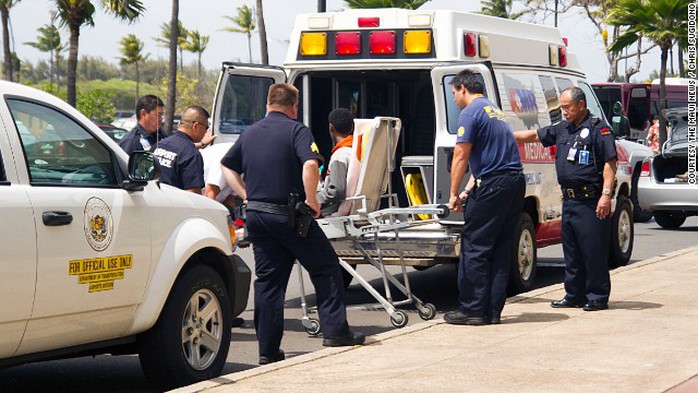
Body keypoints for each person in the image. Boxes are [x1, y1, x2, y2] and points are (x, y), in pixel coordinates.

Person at [220, 83, 365, 365]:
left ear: (267, 104)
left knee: (269, 283)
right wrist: (312, 201)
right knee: (326, 268)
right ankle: (335, 331)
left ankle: (268, 352)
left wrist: (245, 194)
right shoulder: (297, 130)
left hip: (258, 217)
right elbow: (310, 165)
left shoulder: (249, 133)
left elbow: (228, 166)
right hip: (288, 216)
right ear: (294, 106)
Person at [513, 86, 617, 312]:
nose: (564, 112)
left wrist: (606, 196)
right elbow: (532, 136)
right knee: (572, 253)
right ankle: (574, 294)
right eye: (562, 107)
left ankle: (598, 296)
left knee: (593, 252)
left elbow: (610, 163)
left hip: (591, 202)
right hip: (569, 202)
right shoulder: (563, 129)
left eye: (567, 107)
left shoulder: (599, 130)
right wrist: (503, 136)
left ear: (581, 105)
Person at [444, 70, 526, 326]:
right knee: (500, 248)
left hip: (494, 185)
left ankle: (473, 310)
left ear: (462, 89)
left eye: (454, 93)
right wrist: (470, 188)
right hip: (512, 183)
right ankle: (492, 310)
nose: (455, 99)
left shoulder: (470, 112)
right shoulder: (494, 110)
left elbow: (461, 154)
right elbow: (490, 158)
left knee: (475, 247)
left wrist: (453, 192)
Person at [152, 106, 210, 193]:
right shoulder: (191, 154)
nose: (206, 132)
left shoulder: (158, 145)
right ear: (196, 126)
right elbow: (193, 196)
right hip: (175, 205)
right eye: (206, 128)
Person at [317, 108, 354, 216]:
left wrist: (316, 197)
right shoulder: (358, 151)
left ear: (331, 128)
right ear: (352, 128)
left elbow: (336, 191)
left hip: (332, 214)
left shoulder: (340, 155)